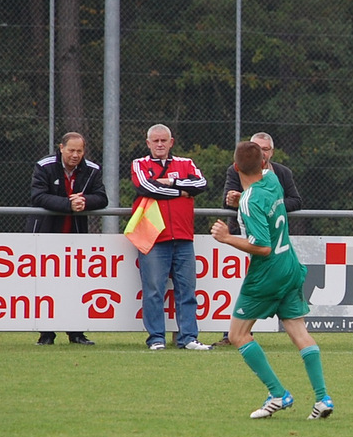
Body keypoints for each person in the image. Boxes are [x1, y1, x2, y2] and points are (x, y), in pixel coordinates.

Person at [210, 141, 333, 420]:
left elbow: (262, 247)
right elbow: (261, 187)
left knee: (237, 335)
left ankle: (278, 393)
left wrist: (226, 238)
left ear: (235, 167)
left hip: (266, 275)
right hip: (290, 265)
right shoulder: (273, 181)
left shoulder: (249, 200)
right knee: (298, 331)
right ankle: (322, 398)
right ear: (265, 164)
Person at [213, 131, 303, 346]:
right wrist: (236, 199)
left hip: (263, 249)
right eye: (256, 149)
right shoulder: (267, 178)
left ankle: (236, 335)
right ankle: (235, 333)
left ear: (271, 152)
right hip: (266, 249)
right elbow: (229, 201)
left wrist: (255, 204)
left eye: (265, 149)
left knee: (238, 333)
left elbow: (294, 201)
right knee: (299, 332)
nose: (261, 153)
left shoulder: (277, 175)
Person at [130, 124, 212, 351]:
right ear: (148, 143)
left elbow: (201, 184)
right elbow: (147, 188)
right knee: (154, 290)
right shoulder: (139, 164)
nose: (159, 144)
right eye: (155, 141)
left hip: (184, 237)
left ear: (171, 142)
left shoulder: (186, 163)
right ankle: (156, 338)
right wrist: (181, 192)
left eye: (163, 140)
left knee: (187, 290)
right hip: (154, 238)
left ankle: (188, 338)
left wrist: (173, 182)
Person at [28, 131, 109, 346]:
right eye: (71, 150)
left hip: (75, 237)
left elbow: (102, 198)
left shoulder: (92, 169)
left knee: (76, 285)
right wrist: (68, 204)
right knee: (45, 285)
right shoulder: (44, 166)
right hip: (46, 234)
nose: (75, 155)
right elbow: (38, 196)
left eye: (79, 151)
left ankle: (76, 333)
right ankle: (46, 334)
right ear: (61, 148)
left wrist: (84, 201)